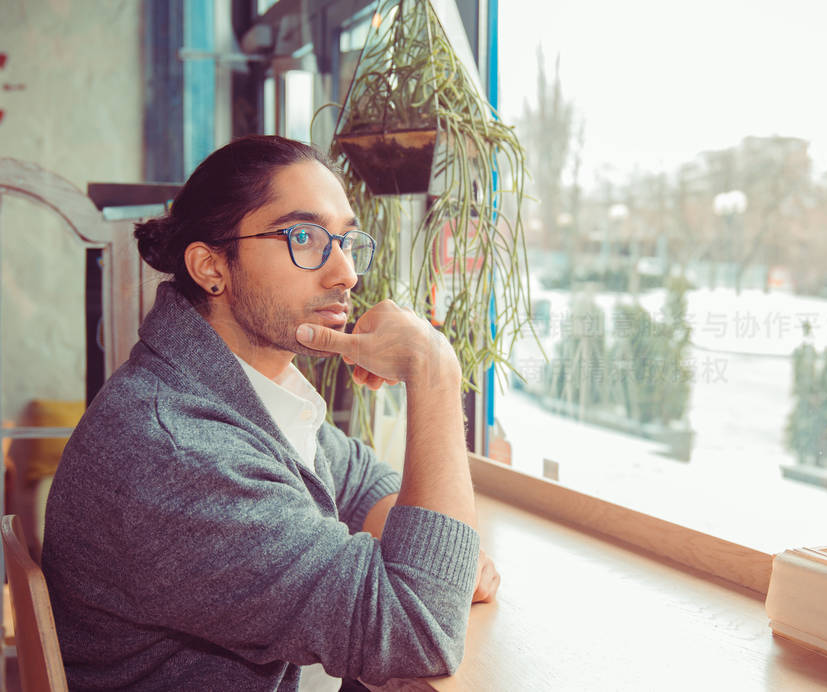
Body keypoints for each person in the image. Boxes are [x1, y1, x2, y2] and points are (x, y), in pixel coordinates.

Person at [41, 135, 499, 691]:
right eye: (303, 237)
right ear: (212, 267)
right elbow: (420, 632)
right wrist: (433, 373)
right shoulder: (177, 449)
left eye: (346, 240)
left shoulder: (230, 392)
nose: (346, 274)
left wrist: (431, 570)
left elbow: (362, 483)